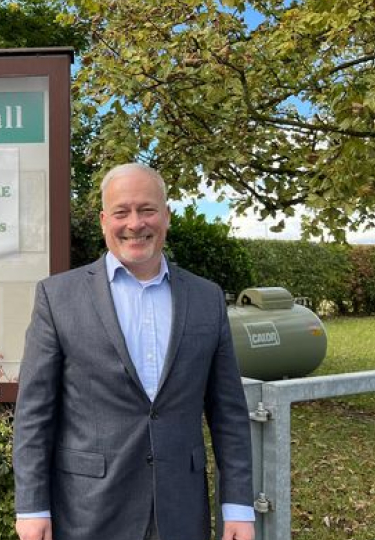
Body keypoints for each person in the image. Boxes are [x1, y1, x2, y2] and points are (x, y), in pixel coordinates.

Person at [13, 163, 255, 540]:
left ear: (166, 216)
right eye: (122, 212)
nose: (135, 223)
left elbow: (229, 413)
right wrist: (31, 506)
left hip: (181, 511)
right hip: (88, 511)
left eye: (147, 210)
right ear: (103, 220)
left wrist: (238, 507)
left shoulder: (206, 298)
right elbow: (34, 413)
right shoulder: (57, 297)